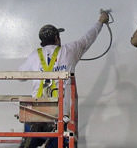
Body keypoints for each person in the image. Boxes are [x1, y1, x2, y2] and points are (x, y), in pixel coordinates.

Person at [19, 10, 109, 148]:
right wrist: (100, 22)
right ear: (57, 38)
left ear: (42, 42)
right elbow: (87, 38)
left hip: (37, 113)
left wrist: (39, 71)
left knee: (29, 143)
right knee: (59, 142)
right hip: (61, 115)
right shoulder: (69, 50)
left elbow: (20, 76)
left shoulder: (34, 56)